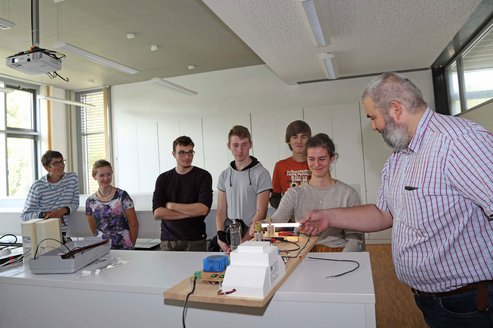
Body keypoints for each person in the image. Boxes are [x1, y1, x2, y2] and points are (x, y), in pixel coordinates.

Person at [299, 72, 493, 327]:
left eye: (373, 117)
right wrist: (329, 216)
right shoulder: (399, 157)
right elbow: (383, 213)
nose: (373, 125)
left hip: (469, 303)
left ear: (395, 109)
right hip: (431, 301)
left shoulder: (459, 142)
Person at [272, 133, 363, 252]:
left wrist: (343, 260)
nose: (316, 164)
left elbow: (355, 237)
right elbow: (276, 221)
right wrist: (259, 225)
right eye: (311, 159)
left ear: (332, 158)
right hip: (303, 254)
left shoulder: (348, 194)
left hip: (337, 253)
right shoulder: (294, 194)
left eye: (322, 159)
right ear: (306, 159)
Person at [215, 125, 272, 253]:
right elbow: (221, 210)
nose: (240, 150)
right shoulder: (224, 175)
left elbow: (261, 212)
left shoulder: (262, 173)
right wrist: (221, 237)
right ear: (229, 146)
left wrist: (243, 242)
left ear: (250, 145)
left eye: (244, 145)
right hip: (231, 238)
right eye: (235, 145)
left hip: (253, 238)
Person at [152, 136, 213, 251]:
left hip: (195, 240)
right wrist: (191, 212)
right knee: (168, 270)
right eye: (181, 153)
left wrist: (172, 206)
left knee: (197, 270)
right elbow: (158, 212)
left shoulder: (203, 176)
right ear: (174, 154)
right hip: (169, 241)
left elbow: (203, 209)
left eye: (190, 152)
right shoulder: (163, 178)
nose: (187, 157)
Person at [21, 150, 79, 237]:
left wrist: (62, 211)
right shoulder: (38, 186)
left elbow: (75, 203)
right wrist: (46, 214)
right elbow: (25, 216)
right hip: (42, 233)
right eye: (56, 163)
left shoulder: (72, 178)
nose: (61, 165)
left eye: (61, 161)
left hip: (62, 233)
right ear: (47, 168)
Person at [85, 160, 139, 250]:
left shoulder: (122, 196)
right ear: (94, 176)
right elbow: (93, 227)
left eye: (108, 174)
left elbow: (134, 224)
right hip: (101, 248)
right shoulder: (90, 201)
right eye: (102, 175)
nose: (106, 178)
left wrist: (131, 245)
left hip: (124, 248)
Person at [270, 120, 312, 209]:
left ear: (309, 140)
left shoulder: (316, 164)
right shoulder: (280, 166)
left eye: (303, 137)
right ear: (288, 140)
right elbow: (274, 198)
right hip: (289, 220)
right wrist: (288, 211)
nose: (299, 141)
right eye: (295, 137)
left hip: (313, 217)